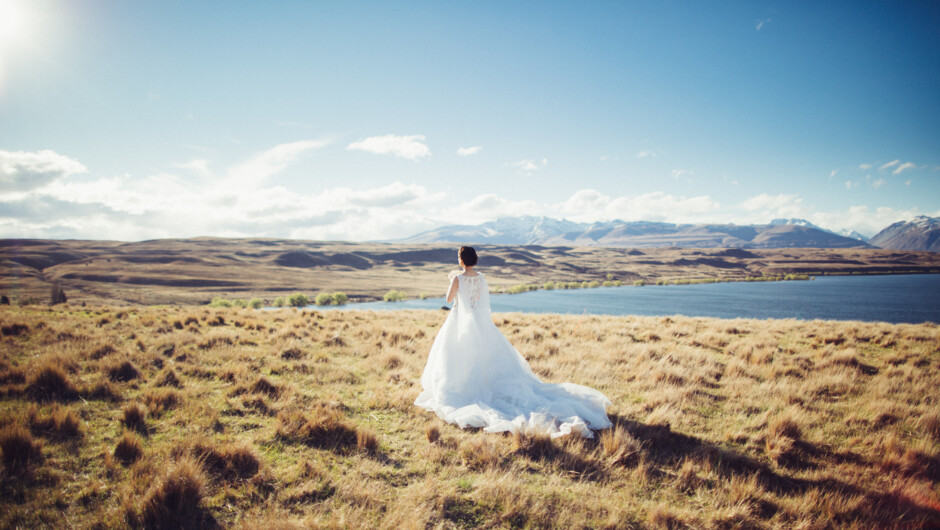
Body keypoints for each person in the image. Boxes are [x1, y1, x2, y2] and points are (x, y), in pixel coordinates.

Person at [414, 246, 612, 438]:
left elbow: (449, 300)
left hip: (460, 324)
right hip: (480, 324)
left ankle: (462, 387)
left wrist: (452, 281)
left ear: (461, 260)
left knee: (458, 356)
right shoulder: (481, 278)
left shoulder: (457, 278)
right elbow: (480, 302)